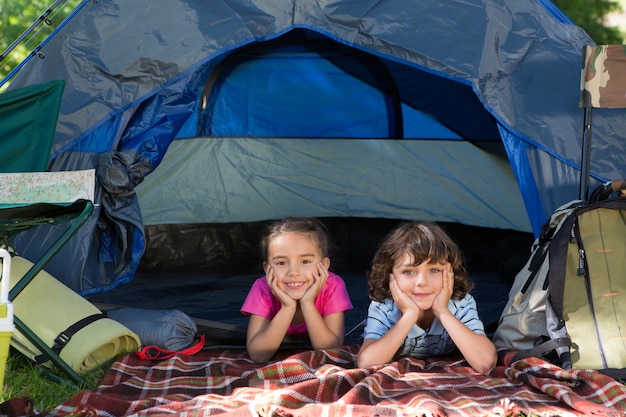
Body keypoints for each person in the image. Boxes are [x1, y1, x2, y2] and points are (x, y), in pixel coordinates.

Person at [356, 221, 496, 373]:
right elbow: (366, 362)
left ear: (451, 272)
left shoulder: (460, 303)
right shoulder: (385, 306)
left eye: (434, 270)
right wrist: (409, 315)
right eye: (408, 272)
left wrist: (443, 312)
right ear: (391, 277)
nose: (422, 282)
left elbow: (486, 363)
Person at [241, 217, 353, 362]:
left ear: (324, 265)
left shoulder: (333, 285)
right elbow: (258, 355)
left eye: (305, 261)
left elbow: (331, 351)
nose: (293, 272)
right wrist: (288, 307)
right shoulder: (262, 287)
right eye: (281, 263)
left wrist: (307, 304)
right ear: (267, 268)